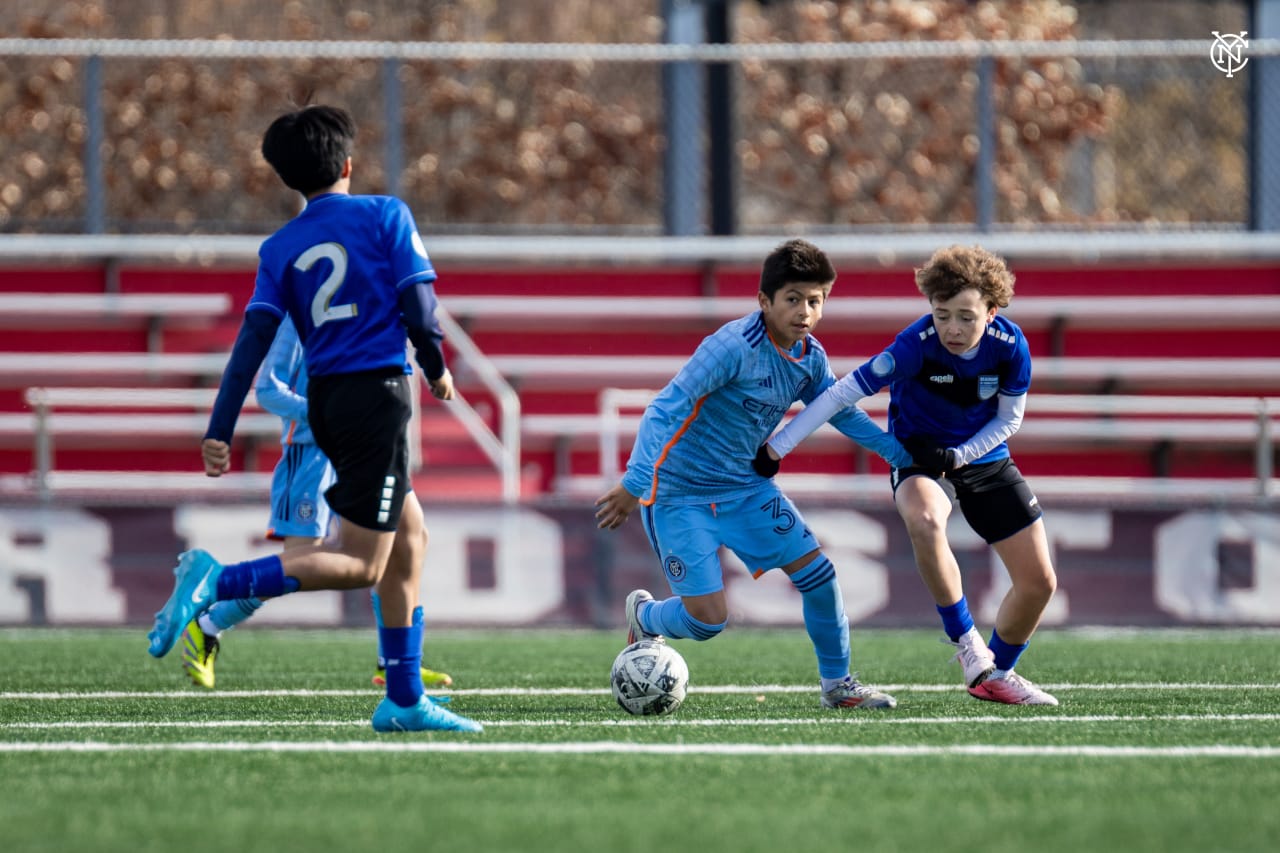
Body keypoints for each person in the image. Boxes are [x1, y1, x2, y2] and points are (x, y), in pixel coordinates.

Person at [147, 104, 481, 733]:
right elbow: (418, 302)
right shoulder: (387, 214)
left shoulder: (280, 246)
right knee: (360, 563)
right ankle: (216, 581)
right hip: (376, 396)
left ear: (287, 179)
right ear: (350, 163)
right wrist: (435, 363)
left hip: (328, 401)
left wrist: (219, 428)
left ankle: (403, 699)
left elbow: (251, 342)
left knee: (411, 540)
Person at [595, 238, 912, 710]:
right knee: (707, 621)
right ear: (764, 302)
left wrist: (897, 452)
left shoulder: (810, 357)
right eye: (792, 299)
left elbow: (837, 410)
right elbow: (665, 408)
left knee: (820, 577)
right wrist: (634, 483)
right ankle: (646, 615)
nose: (804, 311)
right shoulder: (731, 347)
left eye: (815, 301)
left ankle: (839, 685)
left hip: (746, 489)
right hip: (679, 496)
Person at [758, 244, 1059, 706]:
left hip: (981, 456)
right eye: (942, 315)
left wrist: (960, 455)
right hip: (919, 458)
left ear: (992, 312)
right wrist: (778, 446)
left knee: (1040, 583)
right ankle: (966, 644)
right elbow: (839, 395)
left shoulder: (1010, 345)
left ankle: (996, 674)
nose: (952, 329)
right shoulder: (914, 346)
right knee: (924, 519)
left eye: (966, 316)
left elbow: (1008, 420)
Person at [179, 317, 455, 694]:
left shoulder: (360, 306)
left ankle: (396, 662)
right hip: (311, 456)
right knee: (301, 561)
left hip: (363, 451)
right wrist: (332, 416)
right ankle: (207, 623)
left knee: (410, 538)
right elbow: (269, 390)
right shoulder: (300, 316)